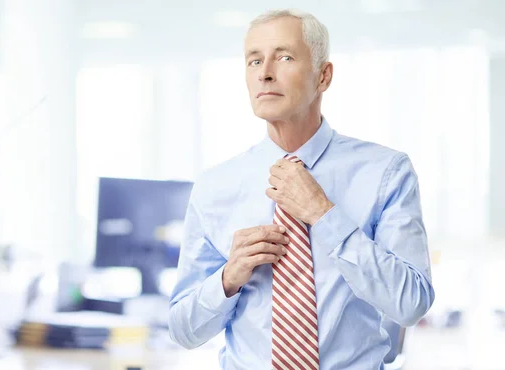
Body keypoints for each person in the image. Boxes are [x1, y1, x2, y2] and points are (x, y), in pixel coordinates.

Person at [168, 9, 435, 370]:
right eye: (254, 60)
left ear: (323, 76)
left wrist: (324, 215)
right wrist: (228, 278)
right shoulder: (215, 186)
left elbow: (412, 303)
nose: (265, 73)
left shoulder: (385, 172)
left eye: (285, 57)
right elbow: (183, 331)